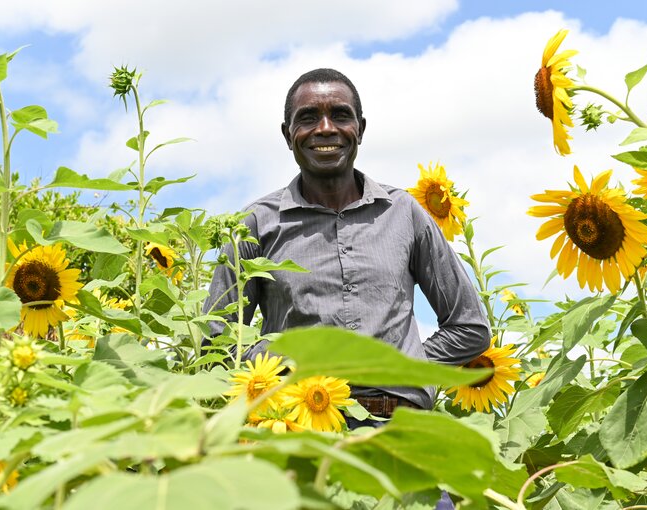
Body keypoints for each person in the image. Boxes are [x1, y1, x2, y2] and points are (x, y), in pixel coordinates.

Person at [204, 68, 490, 421]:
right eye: (308, 118)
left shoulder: (403, 213)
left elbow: (470, 328)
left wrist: (402, 367)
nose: (326, 128)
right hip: (297, 427)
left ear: (360, 129)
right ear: (287, 134)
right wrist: (281, 365)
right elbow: (216, 343)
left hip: (400, 428)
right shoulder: (256, 225)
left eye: (340, 115)